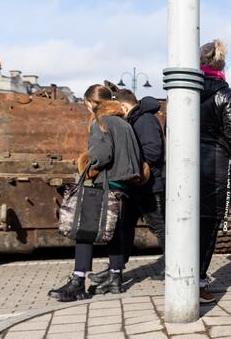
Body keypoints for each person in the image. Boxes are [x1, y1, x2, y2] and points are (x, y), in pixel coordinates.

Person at [48, 84, 143, 302]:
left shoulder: (100, 122)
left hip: (106, 183)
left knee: (85, 229)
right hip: (124, 185)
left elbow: (102, 156)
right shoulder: (123, 122)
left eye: (86, 103)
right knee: (114, 232)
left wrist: (87, 165)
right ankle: (115, 278)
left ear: (91, 103)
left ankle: (78, 282)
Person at [88, 87, 166, 284]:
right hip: (135, 185)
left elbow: (153, 151)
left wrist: (130, 162)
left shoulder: (145, 120)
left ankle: (172, 266)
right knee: (123, 228)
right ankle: (115, 269)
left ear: (124, 105)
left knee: (160, 227)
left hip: (150, 185)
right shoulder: (133, 120)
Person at [198, 39, 231, 303]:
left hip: (186, 165)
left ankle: (182, 277)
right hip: (214, 165)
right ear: (221, 64)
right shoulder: (224, 93)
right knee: (208, 225)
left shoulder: (186, 90)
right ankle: (199, 283)